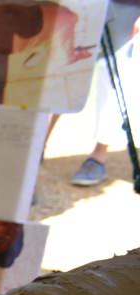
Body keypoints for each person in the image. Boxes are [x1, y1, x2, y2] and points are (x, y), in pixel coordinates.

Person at [65, 0, 140, 187]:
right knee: (61, 69)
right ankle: (37, 149)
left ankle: (98, 157)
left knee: (113, 76)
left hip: (128, 6)